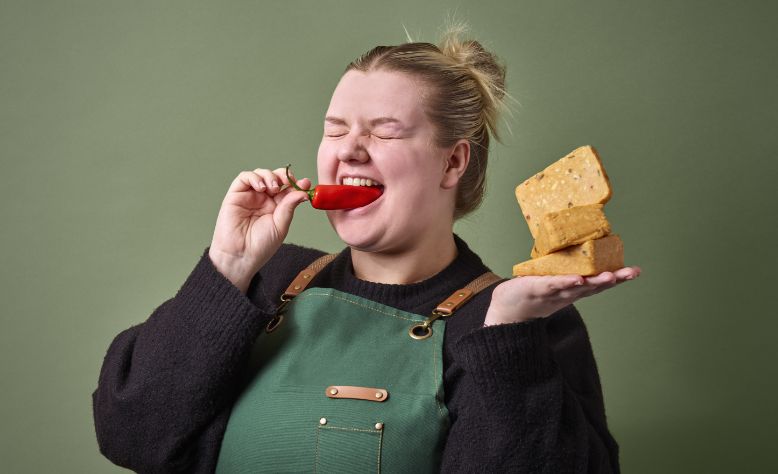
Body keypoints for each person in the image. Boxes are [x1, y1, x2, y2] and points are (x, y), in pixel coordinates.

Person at [93, 27, 640, 473]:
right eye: (335, 131)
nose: (350, 150)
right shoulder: (268, 281)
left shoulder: (522, 322)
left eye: (385, 132)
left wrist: (509, 341)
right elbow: (133, 435)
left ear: (453, 162)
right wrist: (228, 267)